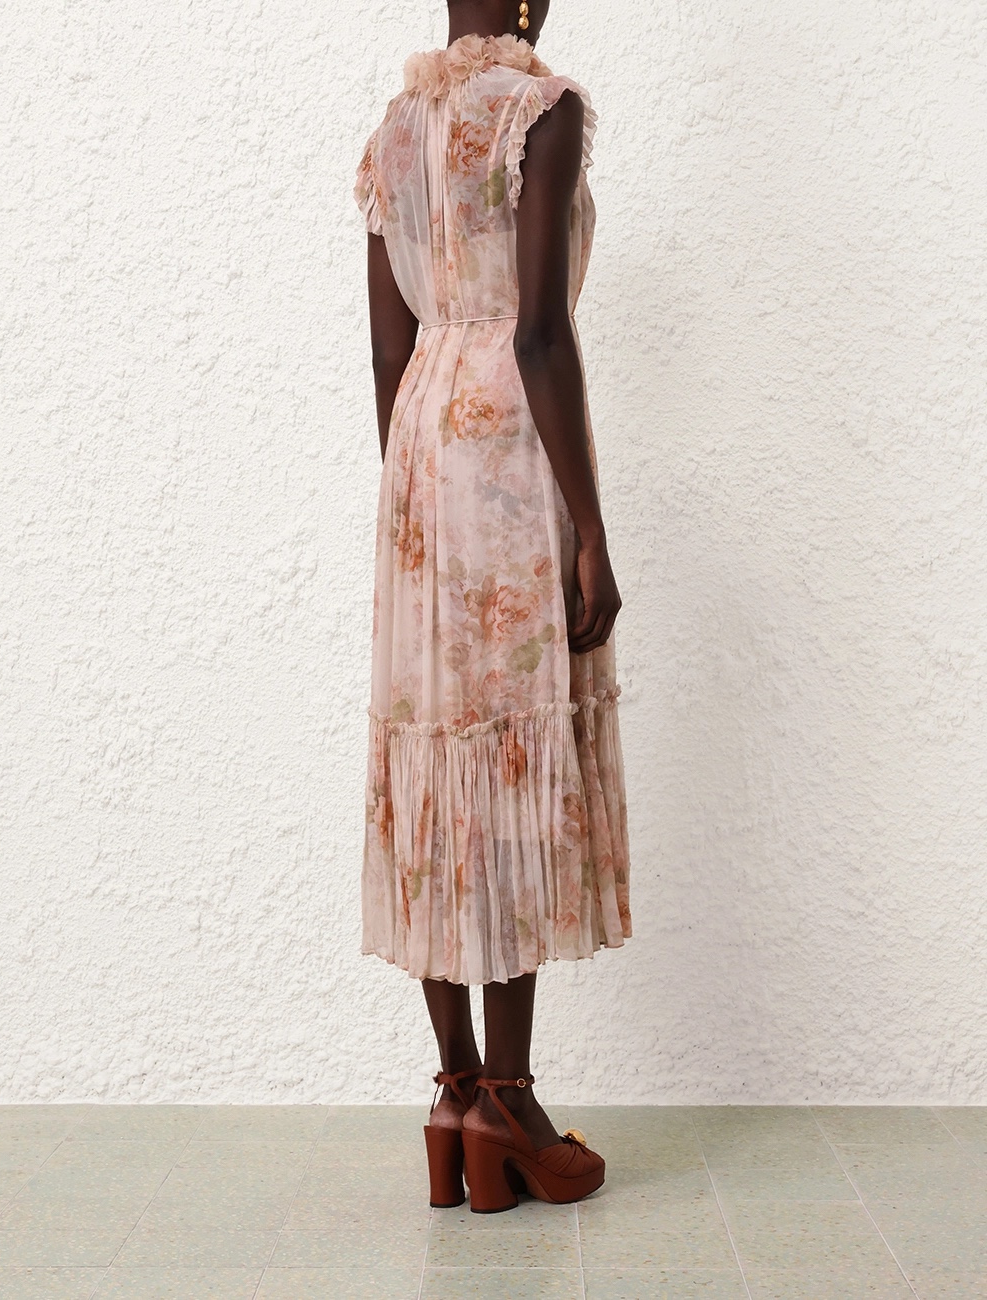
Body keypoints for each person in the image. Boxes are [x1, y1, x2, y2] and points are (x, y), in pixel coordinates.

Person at [354, 0, 631, 1214]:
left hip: (419, 450)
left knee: (435, 747)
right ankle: (509, 1104)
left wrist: (415, 504)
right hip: (509, 452)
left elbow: (387, 351)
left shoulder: (394, 128)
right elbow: (539, 336)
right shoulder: (540, 110)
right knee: (510, 743)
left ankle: (454, 1089)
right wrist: (589, 529)